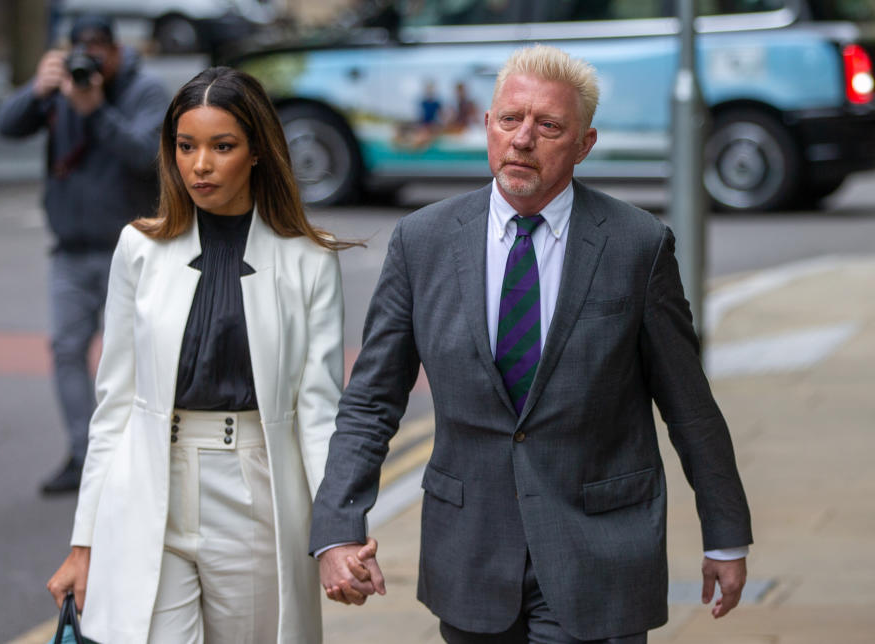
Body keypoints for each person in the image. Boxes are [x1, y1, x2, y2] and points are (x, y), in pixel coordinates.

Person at [311, 45, 753, 643]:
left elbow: (689, 405)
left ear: (584, 143)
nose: (523, 139)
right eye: (509, 119)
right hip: (471, 556)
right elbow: (371, 401)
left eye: (548, 126)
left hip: (598, 553)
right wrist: (338, 528)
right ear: (487, 125)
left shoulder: (637, 245)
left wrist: (724, 533)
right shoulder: (423, 241)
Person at [45, 66, 364, 643]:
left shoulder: (309, 261)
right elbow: (113, 407)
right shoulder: (138, 247)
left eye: (222, 147)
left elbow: (319, 415)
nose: (200, 165)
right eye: (185, 146)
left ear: (258, 152)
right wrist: (83, 542)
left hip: (253, 487)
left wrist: (337, 530)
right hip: (148, 486)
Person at [0, 15, 169, 494]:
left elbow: (149, 156)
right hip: (70, 251)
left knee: (131, 362)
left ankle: (138, 460)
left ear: (116, 51)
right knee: (68, 350)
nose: (90, 62)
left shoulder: (146, 91)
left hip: (131, 252)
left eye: (98, 52)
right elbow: (5, 127)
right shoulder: (62, 86)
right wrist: (37, 89)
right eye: (81, 51)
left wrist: (95, 110)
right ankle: (83, 454)